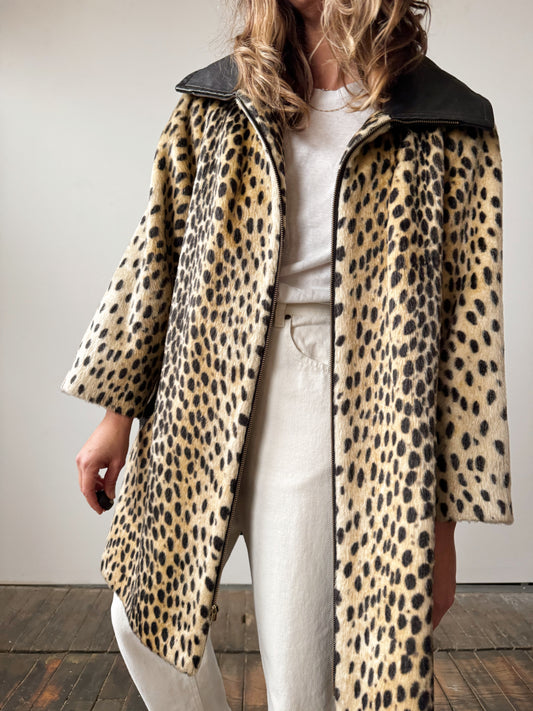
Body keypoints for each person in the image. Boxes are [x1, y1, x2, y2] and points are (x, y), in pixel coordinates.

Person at [60, 0, 514, 709]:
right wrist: (115, 415)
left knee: (300, 676)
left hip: (339, 387)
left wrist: (440, 528)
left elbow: (468, 331)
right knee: (142, 616)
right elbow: (156, 253)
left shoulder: (446, 120)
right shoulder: (218, 99)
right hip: (202, 377)